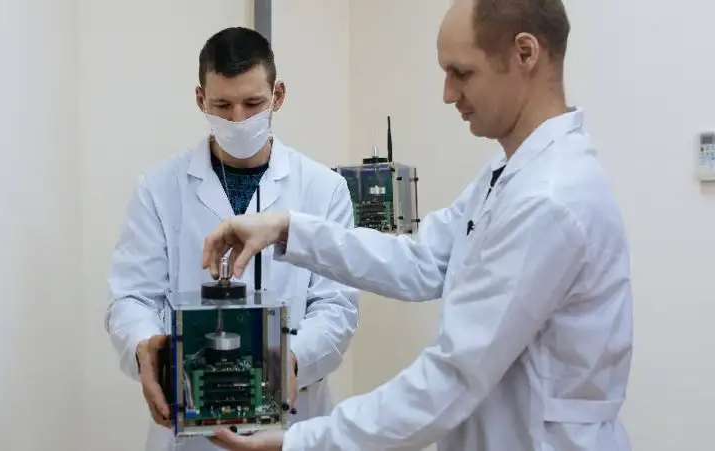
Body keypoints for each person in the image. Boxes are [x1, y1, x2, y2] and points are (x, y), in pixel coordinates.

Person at [201, 1, 633, 450]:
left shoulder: (548, 198)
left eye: (461, 72)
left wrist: (302, 441)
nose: (448, 93)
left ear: (525, 53)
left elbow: (452, 378)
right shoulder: (509, 175)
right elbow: (422, 260)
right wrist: (286, 229)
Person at [104, 26, 360, 451]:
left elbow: (336, 307)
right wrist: (144, 346)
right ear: (200, 99)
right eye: (222, 105)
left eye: (253, 104)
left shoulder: (323, 189)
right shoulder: (159, 189)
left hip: (293, 421)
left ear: (278, 95)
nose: (238, 119)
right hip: (192, 425)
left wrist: (290, 360)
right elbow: (131, 297)